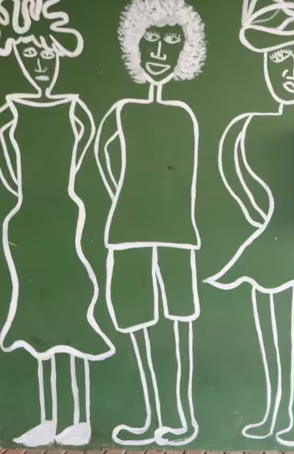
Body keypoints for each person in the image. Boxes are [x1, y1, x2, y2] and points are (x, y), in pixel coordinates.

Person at [205, 0, 294, 447]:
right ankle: (274, 411)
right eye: (281, 55)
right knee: (269, 334)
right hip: (266, 240)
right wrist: (256, 214)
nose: (293, 69)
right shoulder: (246, 126)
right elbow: (233, 173)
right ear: (266, 61)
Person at [0, 0, 114, 447]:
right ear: (19, 57)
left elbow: (80, 160)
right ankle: (48, 420)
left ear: (59, 57)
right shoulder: (9, 115)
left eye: (47, 55)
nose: (40, 64)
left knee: (74, 312)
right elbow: (10, 172)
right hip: (25, 223)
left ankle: (79, 419)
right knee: (39, 320)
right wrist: (30, 198)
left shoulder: (75, 111)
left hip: (67, 219)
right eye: (30, 55)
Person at [94, 0, 206, 445]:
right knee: (136, 319)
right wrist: (128, 200)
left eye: (171, 43)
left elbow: (187, 176)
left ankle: (182, 417)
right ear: (135, 45)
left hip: (177, 234)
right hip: (128, 233)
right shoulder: (123, 111)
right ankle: (152, 415)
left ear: (186, 53)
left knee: (178, 321)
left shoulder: (183, 115)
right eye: (151, 41)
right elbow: (104, 159)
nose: (160, 52)